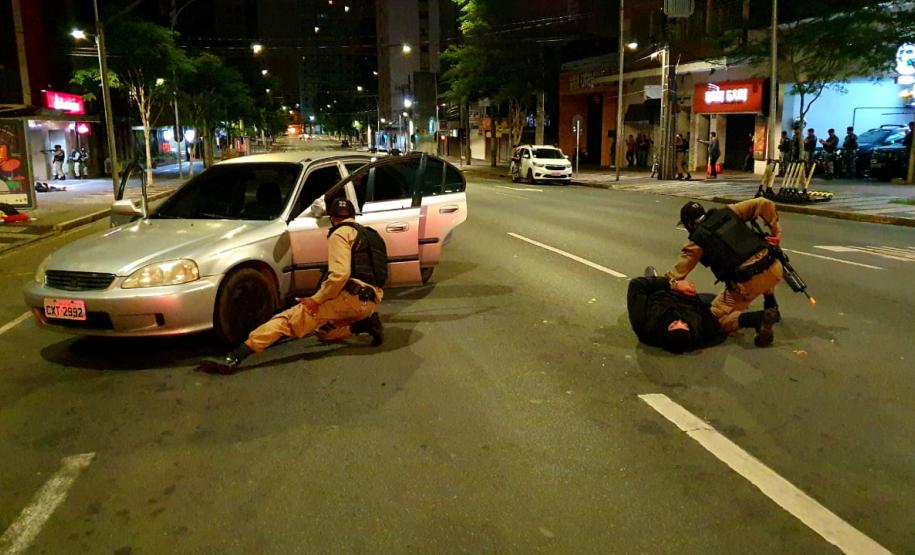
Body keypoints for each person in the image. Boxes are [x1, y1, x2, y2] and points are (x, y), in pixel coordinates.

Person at [200, 198, 385, 374]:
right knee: (323, 333)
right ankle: (366, 324)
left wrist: (315, 300)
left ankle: (234, 357)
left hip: (350, 299)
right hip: (371, 300)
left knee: (287, 320)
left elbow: (340, 275)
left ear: (333, 218)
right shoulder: (370, 234)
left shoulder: (340, 233)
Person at [667, 199, 783, 347]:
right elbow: (762, 203)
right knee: (758, 263)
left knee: (714, 320)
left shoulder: (697, 241)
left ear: (690, 224)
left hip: (748, 283)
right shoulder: (729, 211)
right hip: (775, 267)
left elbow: (677, 274)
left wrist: (665, 283)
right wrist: (776, 231)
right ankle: (771, 304)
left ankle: (757, 319)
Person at [627, 269, 723, 353]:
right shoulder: (704, 332)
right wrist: (693, 296)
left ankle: (653, 280)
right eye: (685, 325)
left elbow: (636, 284)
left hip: (659, 295)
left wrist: (673, 285)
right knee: (714, 299)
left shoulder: (643, 324)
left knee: (646, 285)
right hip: (685, 300)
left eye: (673, 324)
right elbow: (708, 317)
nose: (679, 320)